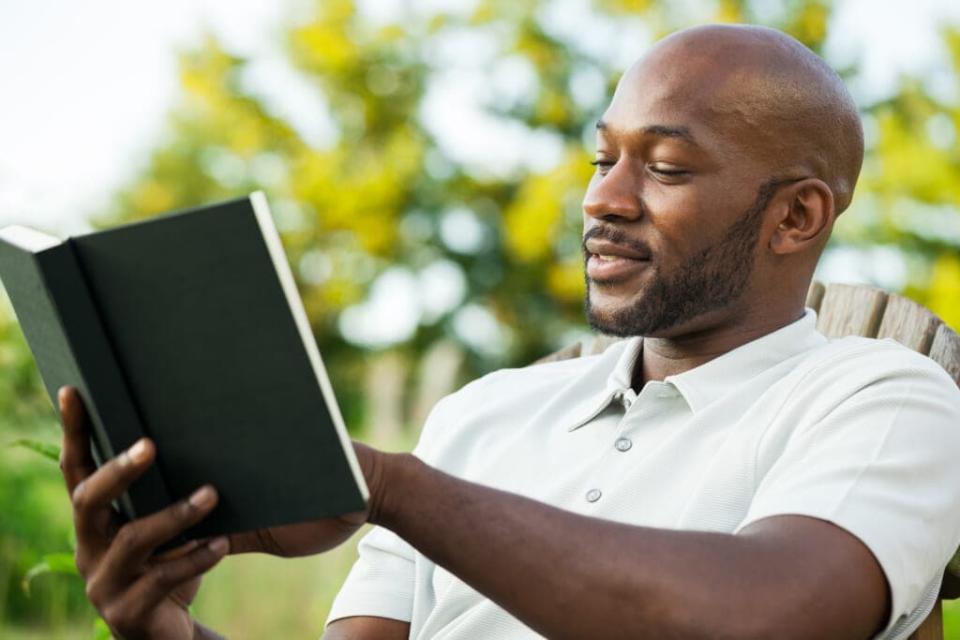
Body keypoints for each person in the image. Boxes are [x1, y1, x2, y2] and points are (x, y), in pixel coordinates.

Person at [56, 23, 960, 640]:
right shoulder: (480, 416)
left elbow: (763, 618)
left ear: (797, 218)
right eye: (604, 157)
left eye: (667, 166)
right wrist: (163, 627)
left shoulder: (882, 399)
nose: (602, 198)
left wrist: (390, 487)